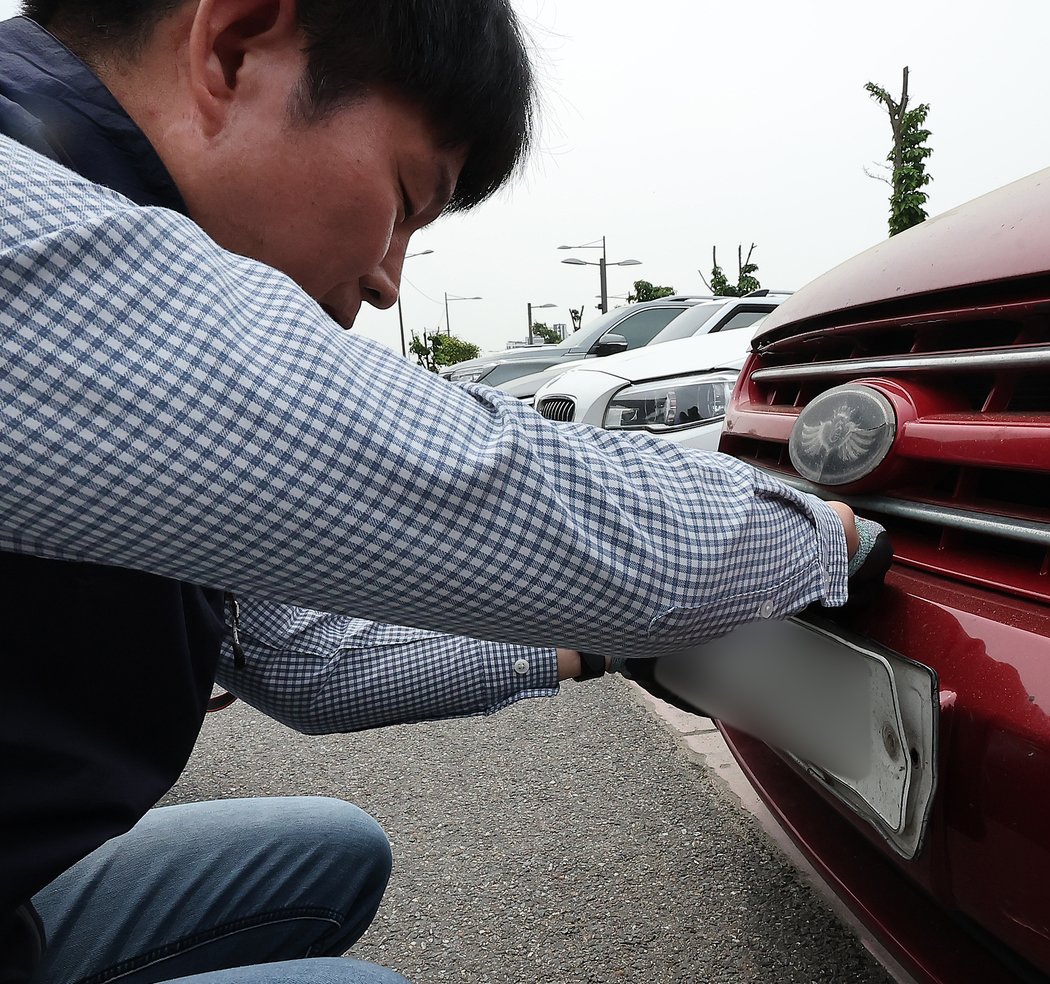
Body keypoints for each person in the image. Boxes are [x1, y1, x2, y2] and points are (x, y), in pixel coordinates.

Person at [0, 2, 888, 982]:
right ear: (235, 47)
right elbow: (474, 478)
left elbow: (304, 655)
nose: (390, 282)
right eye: (406, 197)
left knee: (334, 849)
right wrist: (827, 532)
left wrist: (598, 646)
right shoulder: (23, 226)